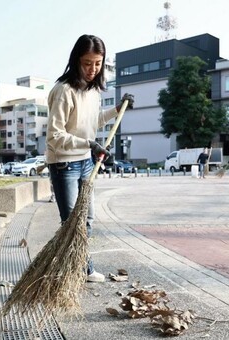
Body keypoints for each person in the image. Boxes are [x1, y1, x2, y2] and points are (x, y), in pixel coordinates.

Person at [46, 34, 134, 283]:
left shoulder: (93, 91)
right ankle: (79, 269)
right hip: (64, 163)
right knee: (72, 223)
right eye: (87, 63)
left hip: (86, 162)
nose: (93, 69)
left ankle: (79, 268)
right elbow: (55, 136)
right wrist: (89, 144)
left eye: (98, 64)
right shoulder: (63, 91)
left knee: (87, 220)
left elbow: (90, 122)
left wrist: (117, 110)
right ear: (76, 61)